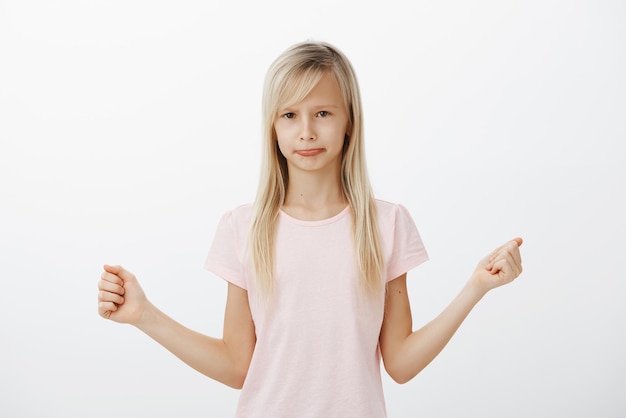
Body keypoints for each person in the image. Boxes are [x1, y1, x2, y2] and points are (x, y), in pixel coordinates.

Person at [97, 40, 523, 418]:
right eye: (289, 115)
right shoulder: (243, 228)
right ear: (273, 126)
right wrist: (144, 316)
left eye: (322, 112)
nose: (306, 131)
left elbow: (401, 364)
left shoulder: (386, 224)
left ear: (348, 121)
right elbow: (236, 366)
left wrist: (475, 288)